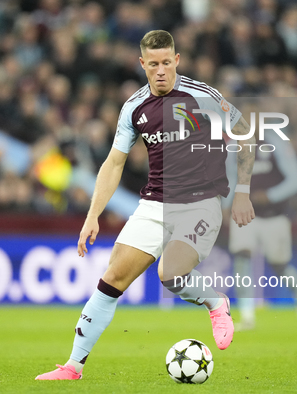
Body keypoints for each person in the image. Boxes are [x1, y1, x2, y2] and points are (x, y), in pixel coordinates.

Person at [36, 30, 255, 381]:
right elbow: (113, 163)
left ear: (177, 61)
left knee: (170, 274)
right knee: (112, 278)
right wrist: (92, 215)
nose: (161, 70)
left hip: (200, 203)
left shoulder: (204, 97)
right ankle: (72, 367)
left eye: (167, 62)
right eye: (153, 64)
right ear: (142, 64)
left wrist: (242, 192)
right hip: (154, 204)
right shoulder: (134, 108)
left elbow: (246, 135)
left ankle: (216, 302)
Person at [229, 132, 297, 329]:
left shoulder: (276, 144)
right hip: (245, 213)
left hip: (275, 215)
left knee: (280, 265)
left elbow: (296, 181)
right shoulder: (233, 147)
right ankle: (247, 317)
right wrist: (225, 204)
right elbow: (230, 178)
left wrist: (270, 195)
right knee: (242, 258)